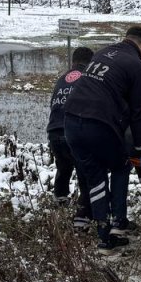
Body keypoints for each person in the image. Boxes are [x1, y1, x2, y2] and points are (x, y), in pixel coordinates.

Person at [64, 26, 141, 253]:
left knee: (95, 174)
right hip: (98, 123)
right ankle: (118, 223)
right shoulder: (137, 67)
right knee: (121, 165)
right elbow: (137, 113)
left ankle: (103, 235)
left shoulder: (101, 53)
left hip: (71, 121)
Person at [46, 46, 94, 228]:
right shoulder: (88, 78)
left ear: (73, 61)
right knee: (84, 174)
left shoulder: (62, 79)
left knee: (63, 168)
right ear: (90, 63)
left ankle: (60, 204)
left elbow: (54, 105)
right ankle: (82, 216)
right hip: (73, 132)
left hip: (54, 131)